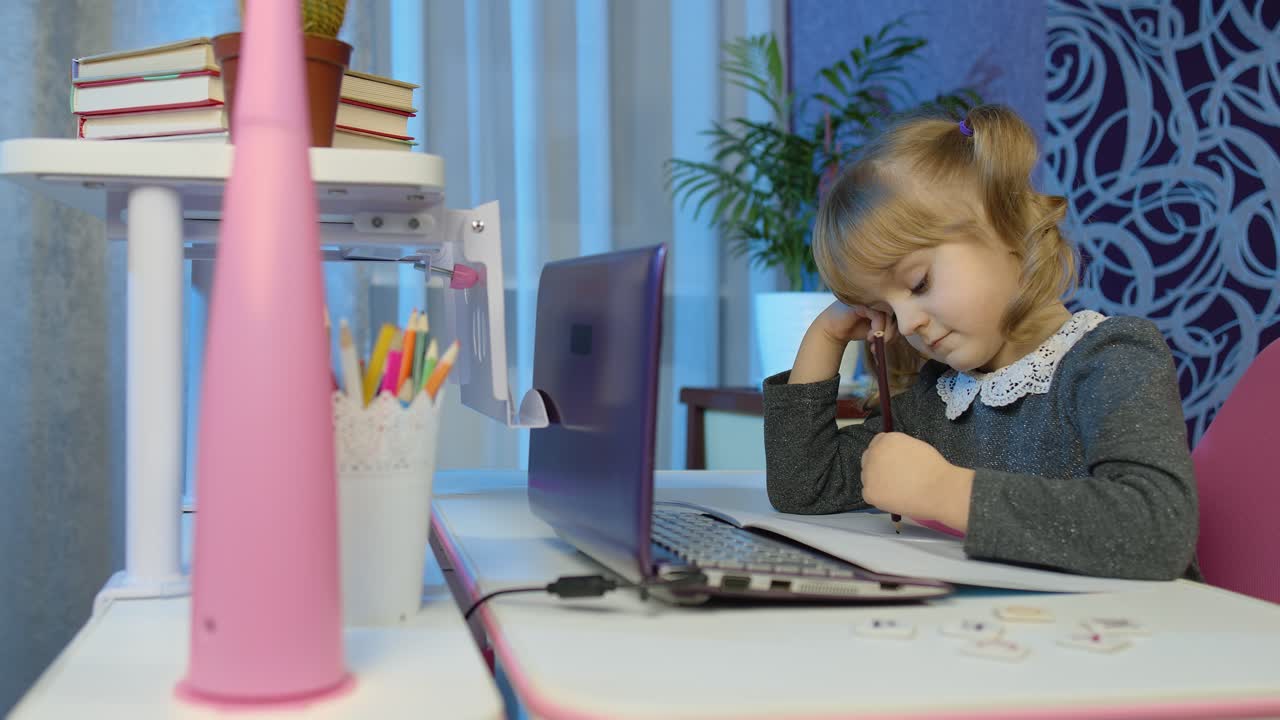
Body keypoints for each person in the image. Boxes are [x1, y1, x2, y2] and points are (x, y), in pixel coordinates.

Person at [762, 104, 1199, 581]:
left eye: (919, 283)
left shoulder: (1110, 358)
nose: (906, 325)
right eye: (885, 312)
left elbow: (1158, 529)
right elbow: (806, 487)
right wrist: (825, 333)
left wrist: (945, 493)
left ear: (1007, 226)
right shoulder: (941, 399)